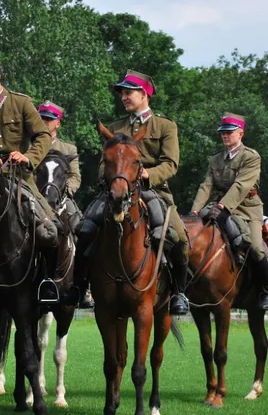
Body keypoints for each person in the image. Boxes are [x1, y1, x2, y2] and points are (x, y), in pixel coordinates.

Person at [72, 70, 189, 315]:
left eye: (128, 92)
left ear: (144, 93)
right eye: (122, 93)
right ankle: (79, 288)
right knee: (84, 229)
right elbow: (104, 162)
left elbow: (171, 163)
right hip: (116, 189)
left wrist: (148, 175)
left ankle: (179, 293)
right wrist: (111, 179)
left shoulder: (165, 125)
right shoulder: (114, 127)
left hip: (152, 190)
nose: (124, 97)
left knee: (179, 238)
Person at [0, 53, 61, 300]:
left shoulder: (21, 103)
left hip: (19, 179)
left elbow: (43, 136)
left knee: (51, 229)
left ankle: (48, 281)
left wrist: (28, 157)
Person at [191, 112, 268, 310]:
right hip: (219, 205)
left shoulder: (251, 157)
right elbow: (206, 185)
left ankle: (264, 291)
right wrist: (195, 210)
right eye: (222, 133)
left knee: (258, 249)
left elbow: (241, 186)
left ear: (240, 133)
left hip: (247, 208)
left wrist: (223, 206)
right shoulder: (216, 159)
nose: (225, 136)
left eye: (229, 132)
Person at [37, 100, 92, 309]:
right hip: (35, 198)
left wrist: (63, 192)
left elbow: (75, 177)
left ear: (57, 123)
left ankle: (81, 285)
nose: (43, 122)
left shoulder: (68, 148)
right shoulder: (30, 146)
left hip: (61, 199)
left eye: (48, 119)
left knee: (81, 228)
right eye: (41, 118)